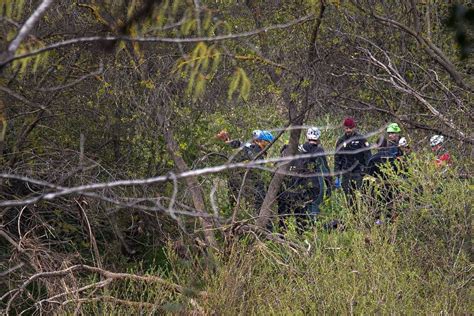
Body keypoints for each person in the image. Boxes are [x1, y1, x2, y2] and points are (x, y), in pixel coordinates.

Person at [277, 127, 331, 231]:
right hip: (307, 188)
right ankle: (306, 234)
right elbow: (325, 170)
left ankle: (282, 237)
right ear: (318, 137)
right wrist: (330, 186)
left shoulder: (296, 150)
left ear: (307, 136)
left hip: (288, 187)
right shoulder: (318, 150)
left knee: (284, 217)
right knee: (304, 214)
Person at [217, 129, 274, 212]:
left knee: (236, 203)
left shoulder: (247, 146)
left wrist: (226, 140)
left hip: (237, 180)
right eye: (267, 143)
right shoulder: (255, 150)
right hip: (245, 181)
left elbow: (232, 144)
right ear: (260, 141)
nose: (268, 146)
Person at [334, 117, 371, 196]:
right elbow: (337, 158)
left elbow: (368, 155)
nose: (348, 130)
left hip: (359, 172)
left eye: (350, 128)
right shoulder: (341, 140)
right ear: (344, 128)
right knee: (348, 195)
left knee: (360, 195)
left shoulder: (361, 139)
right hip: (346, 172)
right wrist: (337, 176)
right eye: (346, 128)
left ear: (354, 127)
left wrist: (367, 171)